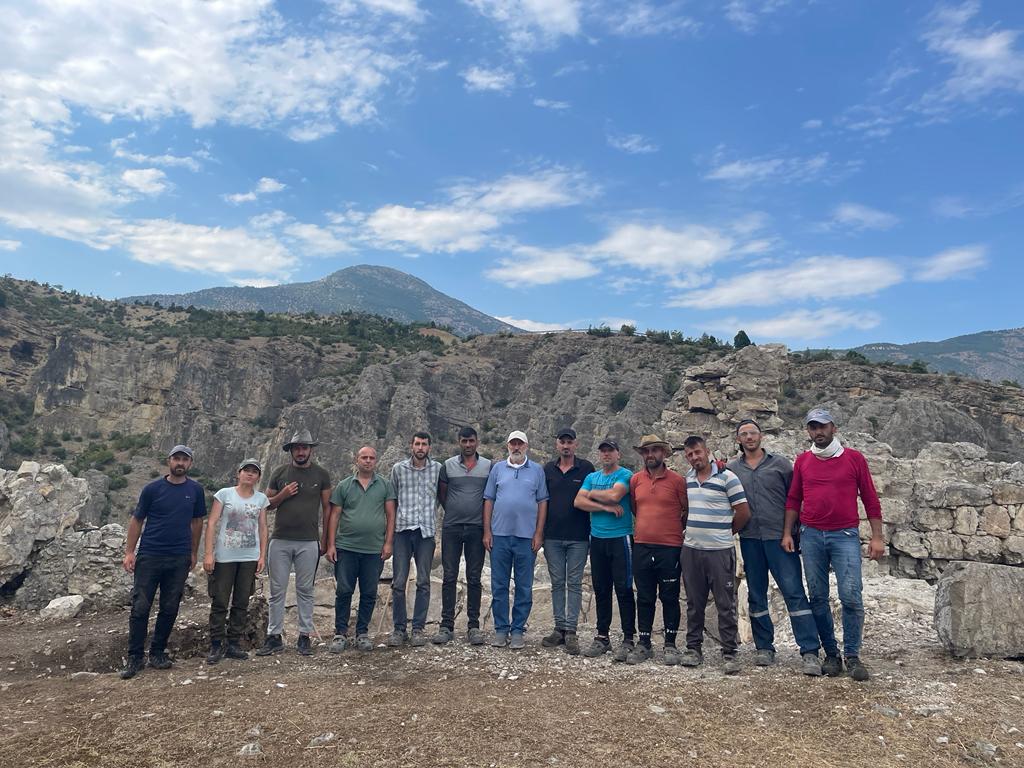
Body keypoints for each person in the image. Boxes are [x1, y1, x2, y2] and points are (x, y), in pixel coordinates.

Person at [783, 408, 885, 682]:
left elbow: (870, 497)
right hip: (811, 535)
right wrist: (788, 532)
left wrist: (877, 537)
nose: (818, 431)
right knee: (817, 596)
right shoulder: (803, 460)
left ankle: (852, 654)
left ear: (833, 428)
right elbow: (794, 499)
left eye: (823, 426)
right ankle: (831, 653)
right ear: (808, 431)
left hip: (845, 535)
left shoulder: (854, 458)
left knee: (851, 595)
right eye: (813, 427)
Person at [727, 419, 823, 676]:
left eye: (753, 433)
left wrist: (792, 533)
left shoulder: (780, 465)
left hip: (780, 539)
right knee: (756, 594)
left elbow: (795, 499)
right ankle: (764, 647)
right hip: (750, 539)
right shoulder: (732, 469)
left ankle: (810, 650)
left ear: (761, 436)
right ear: (738, 439)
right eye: (744, 434)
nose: (749, 437)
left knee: (794, 592)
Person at [120, 445, 207, 679]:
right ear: (169, 461)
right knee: (140, 607)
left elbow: (197, 522)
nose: (180, 463)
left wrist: (193, 552)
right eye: (176, 458)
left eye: (184, 460)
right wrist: (130, 552)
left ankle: (157, 653)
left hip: (179, 557)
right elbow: (137, 520)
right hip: (150, 555)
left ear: (190, 464)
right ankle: (135, 657)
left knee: (170, 607)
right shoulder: (152, 489)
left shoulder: (196, 490)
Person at [256, 429, 332, 657]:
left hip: (308, 541)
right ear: (290, 450)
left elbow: (327, 508)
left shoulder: (321, 475)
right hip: (280, 540)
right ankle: (274, 636)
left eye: (304, 447)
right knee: (276, 590)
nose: (300, 451)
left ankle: (304, 636)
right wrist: (283, 495)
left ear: (310, 450)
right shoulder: (279, 472)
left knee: (305, 590)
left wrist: (325, 539)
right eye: (297, 448)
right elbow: (266, 504)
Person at [679, 435, 751, 674]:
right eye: (690, 455)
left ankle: (729, 652)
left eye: (697, 452)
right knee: (694, 602)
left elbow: (743, 512)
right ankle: (693, 648)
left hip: (719, 551)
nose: (694, 457)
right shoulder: (688, 479)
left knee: (725, 603)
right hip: (691, 550)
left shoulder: (727, 477)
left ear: (707, 451)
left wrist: (725, 532)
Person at [326, 446, 396, 652]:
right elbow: (335, 516)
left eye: (371, 458)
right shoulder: (344, 485)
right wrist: (331, 544)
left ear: (376, 461)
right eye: (364, 457)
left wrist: (388, 542)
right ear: (356, 460)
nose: (368, 461)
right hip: (346, 547)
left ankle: (362, 633)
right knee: (344, 590)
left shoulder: (385, 485)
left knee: (369, 592)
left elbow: (391, 515)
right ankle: (340, 633)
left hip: (373, 550)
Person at [483, 430, 548, 649]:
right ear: (508, 446)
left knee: (524, 586)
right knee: (499, 585)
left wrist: (539, 533)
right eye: (513, 444)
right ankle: (501, 629)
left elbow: (542, 502)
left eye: (520, 444)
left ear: (526, 446)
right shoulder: (497, 469)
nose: (516, 447)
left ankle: (518, 630)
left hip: (526, 538)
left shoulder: (537, 470)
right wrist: (487, 531)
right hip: (499, 536)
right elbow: (489, 500)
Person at [573, 438, 635, 662]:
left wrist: (591, 494)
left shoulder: (625, 474)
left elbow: (615, 496)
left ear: (618, 454)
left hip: (621, 538)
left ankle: (628, 638)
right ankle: (602, 636)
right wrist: (604, 507)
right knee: (601, 588)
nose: (606, 454)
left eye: (610, 451)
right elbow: (578, 502)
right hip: (597, 538)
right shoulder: (593, 477)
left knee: (624, 588)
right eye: (603, 451)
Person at [202, 458, 269, 664]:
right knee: (220, 601)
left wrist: (262, 555)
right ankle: (216, 644)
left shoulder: (261, 499)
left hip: (249, 557)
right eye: (246, 470)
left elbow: (263, 527)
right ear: (238, 473)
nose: (249, 474)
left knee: (241, 601)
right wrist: (208, 553)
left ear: (258, 477)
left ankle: (233, 643)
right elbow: (212, 523)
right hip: (225, 557)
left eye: (254, 471)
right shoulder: (224, 494)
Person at [628, 434, 687, 665]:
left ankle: (670, 644)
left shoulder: (677, 481)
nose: (650, 455)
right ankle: (644, 643)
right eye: (646, 451)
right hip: (642, 545)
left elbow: (686, 510)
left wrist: (670, 529)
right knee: (644, 596)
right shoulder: (636, 480)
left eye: (654, 450)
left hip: (670, 547)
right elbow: (635, 508)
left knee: (669, 596)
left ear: (663, 453)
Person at [433, 427, 492, 646]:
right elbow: (442, 494)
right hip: (452, 528)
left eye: (471, 441)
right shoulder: (447, 466)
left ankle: (473, 626)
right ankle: (446, 625)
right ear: (459, 441)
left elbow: (490, 497)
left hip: (477, 528)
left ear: (477, 442)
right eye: (464, 441)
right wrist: (455, 510)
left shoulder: (488, 466)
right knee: (449, 576)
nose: (468, 444)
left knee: (474, 577)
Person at [540, 428, 595, 655]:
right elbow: (541, 501)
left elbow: (593, 495)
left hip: (578, 537)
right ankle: (559, 628)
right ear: (557, 445)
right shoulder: (547, 470)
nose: (565, 446)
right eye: (562, 442)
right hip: (552, 536)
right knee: (556, 583)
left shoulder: (586, 468)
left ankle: (571, 630)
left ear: (576, 444)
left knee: (573, 583)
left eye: (569, 442)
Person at [387, 432, 442, 647]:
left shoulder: (437, 469)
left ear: (429, 447)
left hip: (425, 532)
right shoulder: (398, 469)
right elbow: (392, 500)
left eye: (424, 444)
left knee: (423, 582)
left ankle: (418, 629)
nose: (420, 448)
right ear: (411, 446)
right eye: (417, 444)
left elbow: (440, 497)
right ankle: (399, 629)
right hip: (402, 531)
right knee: (399, 582)